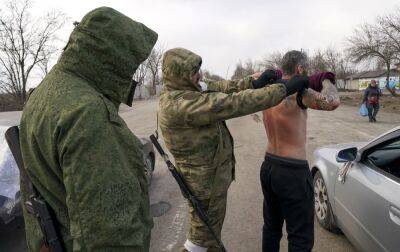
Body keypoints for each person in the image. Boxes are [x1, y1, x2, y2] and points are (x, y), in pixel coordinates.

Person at [19, 7, 158, 251]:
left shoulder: (44, 94)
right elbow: (111, 237)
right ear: (113, 58)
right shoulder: (87, 113)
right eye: (129, 64)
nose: (131, 72)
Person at [158, 47, 309, 252]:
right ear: (180, 75)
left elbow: (222, 87)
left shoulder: (191, 87)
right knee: (200, 243)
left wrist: (253, 82)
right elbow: (232, 103)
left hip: (212, 181)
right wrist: (284, 89)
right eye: (194, 71)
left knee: (210, 238)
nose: (200, 75)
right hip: (203, 187)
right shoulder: (178, 104)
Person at [261, 50, 340, 252]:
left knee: (271, 228)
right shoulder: (300, 94)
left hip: (269, 166)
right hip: (292, 172)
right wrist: (327, 79)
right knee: (300, 237)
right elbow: (332, 102)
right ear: (300, 69)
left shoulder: (268, 90)